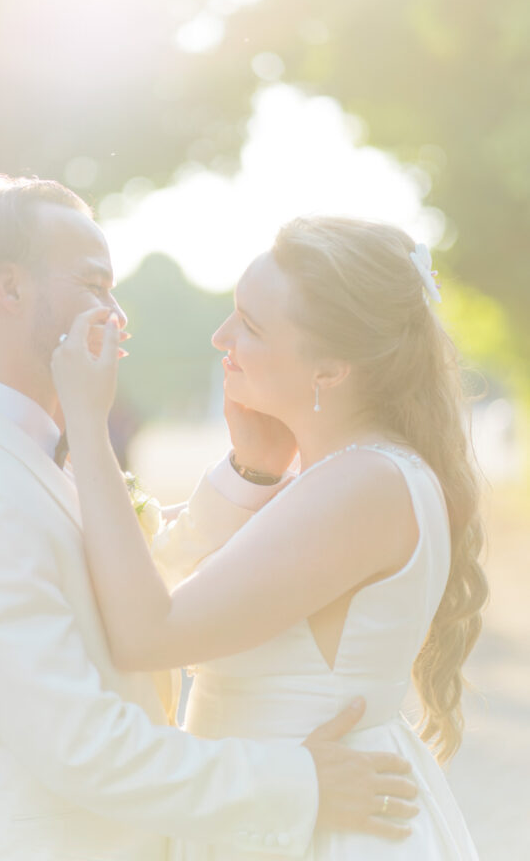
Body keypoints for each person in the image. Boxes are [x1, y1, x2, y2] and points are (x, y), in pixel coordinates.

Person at [0, 178, 418, 861]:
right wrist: (299, 783)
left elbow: (117, 596)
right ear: (10, 289)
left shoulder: (22, 448)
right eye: (95, 285)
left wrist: (249, 474)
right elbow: (82, 746)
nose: (117, 314)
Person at [52, 215, 487, 859]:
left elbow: (148, 634)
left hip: (320, 831)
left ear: (330, 369)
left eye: (251, 327)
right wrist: (252, 471)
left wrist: (87, 425)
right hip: (279, 819)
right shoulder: (342, 477)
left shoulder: (362, 486)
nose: (221, 336)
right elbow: (173, 587)